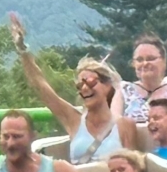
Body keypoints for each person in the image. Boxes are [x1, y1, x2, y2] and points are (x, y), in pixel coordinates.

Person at [8, 14, 140, 162]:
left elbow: (134, 166)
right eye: (80, 85)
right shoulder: (74, 120)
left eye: (90, 82)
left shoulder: (124, 125)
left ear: (107, 86)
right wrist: (23, 50)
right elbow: (40, 86)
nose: (85, 88)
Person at [120, 33, 167, 124]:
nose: (145, 63)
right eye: (139, 60)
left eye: (151, 58)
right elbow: (114, 123)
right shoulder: (123, 90)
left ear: (164, 61)